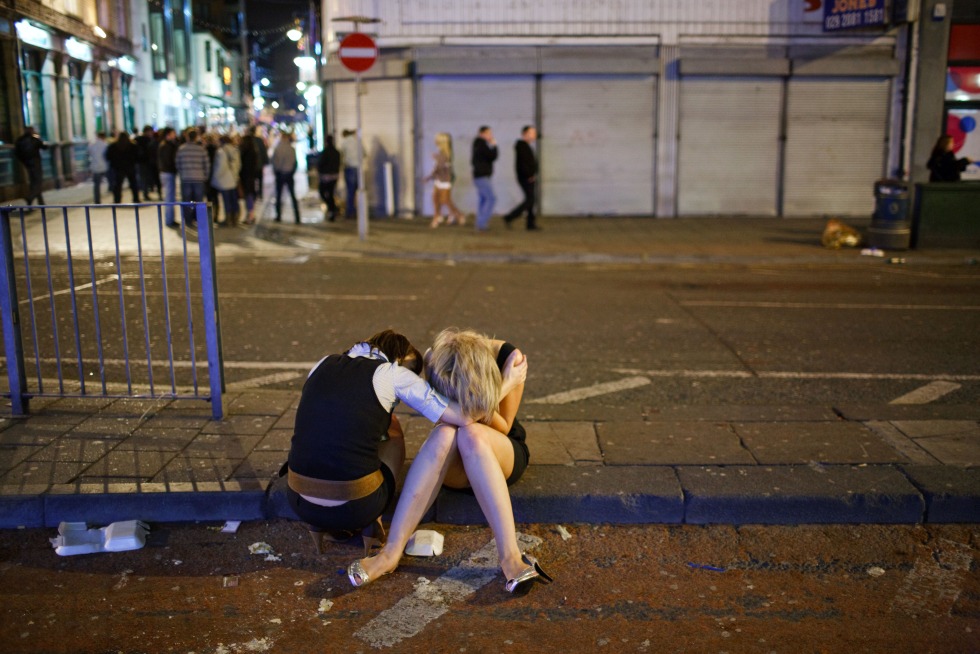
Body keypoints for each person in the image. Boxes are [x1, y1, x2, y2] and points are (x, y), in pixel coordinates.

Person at [348, 327, 552, 595]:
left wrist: (503, 387)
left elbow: (503, 426)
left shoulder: (509, 360)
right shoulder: (436, 359)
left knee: (473, 434)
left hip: (499, 448)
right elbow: (445, 415)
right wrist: (465, 410)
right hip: (456, 454)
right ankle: (390, 554)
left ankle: (511, 557)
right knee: (446, 431)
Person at [285, 329, 515, 554]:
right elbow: (464, 417)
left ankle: (319, 523)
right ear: (400, 359)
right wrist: (506, 384)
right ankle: (373, 521)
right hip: (357, 506)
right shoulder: (393, 373)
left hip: (297, 501)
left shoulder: (323, 364)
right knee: (394, 431)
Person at [502, 125, 540, 231]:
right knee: (530, 200)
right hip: (526, 178)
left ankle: (530, 223)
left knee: (531, 200)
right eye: (532, 133)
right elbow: (522, 165)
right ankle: (509, 217)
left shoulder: (526, 146)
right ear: (525, 134)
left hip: (529, 177)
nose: (534, 135)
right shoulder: (521, 146)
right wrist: (529, 175)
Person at [425, 132, 466, 228]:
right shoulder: (442, 153)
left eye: (437, 139)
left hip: (445, 180)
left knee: (445, 200)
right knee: (435, 198)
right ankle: (437, 216)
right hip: (440, 179)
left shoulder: (445, 154)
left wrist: (429, 177)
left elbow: (439, 168)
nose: (435, 141)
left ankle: (459, 215)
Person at [174, 128, 209, 229]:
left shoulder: (181, 149)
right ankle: (199, 219)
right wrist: (205, 176)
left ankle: (188, 220)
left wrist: (182, 173)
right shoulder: (201, 149)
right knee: (199, 201)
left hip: (186, 178)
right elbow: (206, 164)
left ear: (187, 137)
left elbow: (178, 164)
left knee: (186, 200)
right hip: (199, 178)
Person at [471, 125, 498, 232]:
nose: (491, 135)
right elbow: (492, 156)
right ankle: (481, 223)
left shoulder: (477, 144)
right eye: (488, 133)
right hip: (482, 176)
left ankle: (480, 223)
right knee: (491, 199)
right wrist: (494, 145)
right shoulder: (481, 144)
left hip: (479, 176)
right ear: (482, 133)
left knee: (483, 200)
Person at [211, 135, 242, 227]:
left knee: (227, 200)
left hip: (224, 180)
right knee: (234, 199)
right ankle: (235, 218)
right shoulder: (235, 150)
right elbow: (239, 165)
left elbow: (220, 167)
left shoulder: (221, 152)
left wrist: (215, 178)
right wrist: (235, 175)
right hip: (233, 178)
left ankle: (228, 219)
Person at [14, 126, 47, 207]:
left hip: (27, 163)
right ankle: (30, 197)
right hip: (35, 162)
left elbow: (17, 152)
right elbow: (44, 146)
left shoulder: (20, 140)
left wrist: (24, 161)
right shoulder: (34, 139)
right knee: (38, 181)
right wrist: (38, 137)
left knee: (34, 181)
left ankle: (40, 201)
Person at [271, 131, 300, 223]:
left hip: (280, 174)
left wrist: (276, 172)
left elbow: (274, 162)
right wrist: (292, 172)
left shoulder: (278, 149)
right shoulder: (292, 149)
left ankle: (278, 215)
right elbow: (295, 163)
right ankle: (297, 217)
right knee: (292, 195)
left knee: (279, 196)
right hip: (289, 174)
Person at [105, 131, 139, 204]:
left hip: (118, 168)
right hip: (130, 167)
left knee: (118, 184)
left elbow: (108, 156)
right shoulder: (132, 146)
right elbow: (137, 156)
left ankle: (117, 199)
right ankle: (136, 198)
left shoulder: (113, 146)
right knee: (133, 183)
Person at [157, 127, 179, 227]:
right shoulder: (167, 146)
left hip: (165, 172)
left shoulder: (165, 145)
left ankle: (170, 219)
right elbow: (169, 161)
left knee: (170, 196)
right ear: (168, 134)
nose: (175, 135)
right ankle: (169, 220)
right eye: (173, 133)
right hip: (168, 172)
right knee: (170, 197)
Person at [239, 128, 260, 225]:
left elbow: (242, 165)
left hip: (246, 177)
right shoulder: (253, 151)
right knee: (250, 195)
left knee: (248, 196)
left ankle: (250, 216)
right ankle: (251, 215)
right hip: (251, 176)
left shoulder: (244, 152)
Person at [317, 134, 341, 221]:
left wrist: (320, 171)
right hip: (334, 176)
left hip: (326, 176)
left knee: (322, 192)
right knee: (330, 193)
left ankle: (332, 208)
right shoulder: (336, 152)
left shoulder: (325, 152)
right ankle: (332, 209)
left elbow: (320, 164)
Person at [135, 125, 159, 201]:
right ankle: (145, 193)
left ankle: (145, 192)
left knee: (144, 178)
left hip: (142, 162)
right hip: (145, 162)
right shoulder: (148, 140)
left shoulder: (138, 139)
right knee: (145, 178)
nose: (151, 133)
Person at [341, 128, 360, 219]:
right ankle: (357, 210)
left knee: (350, 191)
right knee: (357, 190)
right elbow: (364, 153)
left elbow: (341, 155)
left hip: (349, 168)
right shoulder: (358, 141)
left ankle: (350, 212)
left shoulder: (344, 142)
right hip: (358, 169)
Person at [88, 132, 109, 204]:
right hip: (105, 167)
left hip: (95, 167)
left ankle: (97, 200)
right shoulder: (105, 145)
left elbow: (89, 153)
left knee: (96, 185)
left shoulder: (92, 145)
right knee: (112, 181)